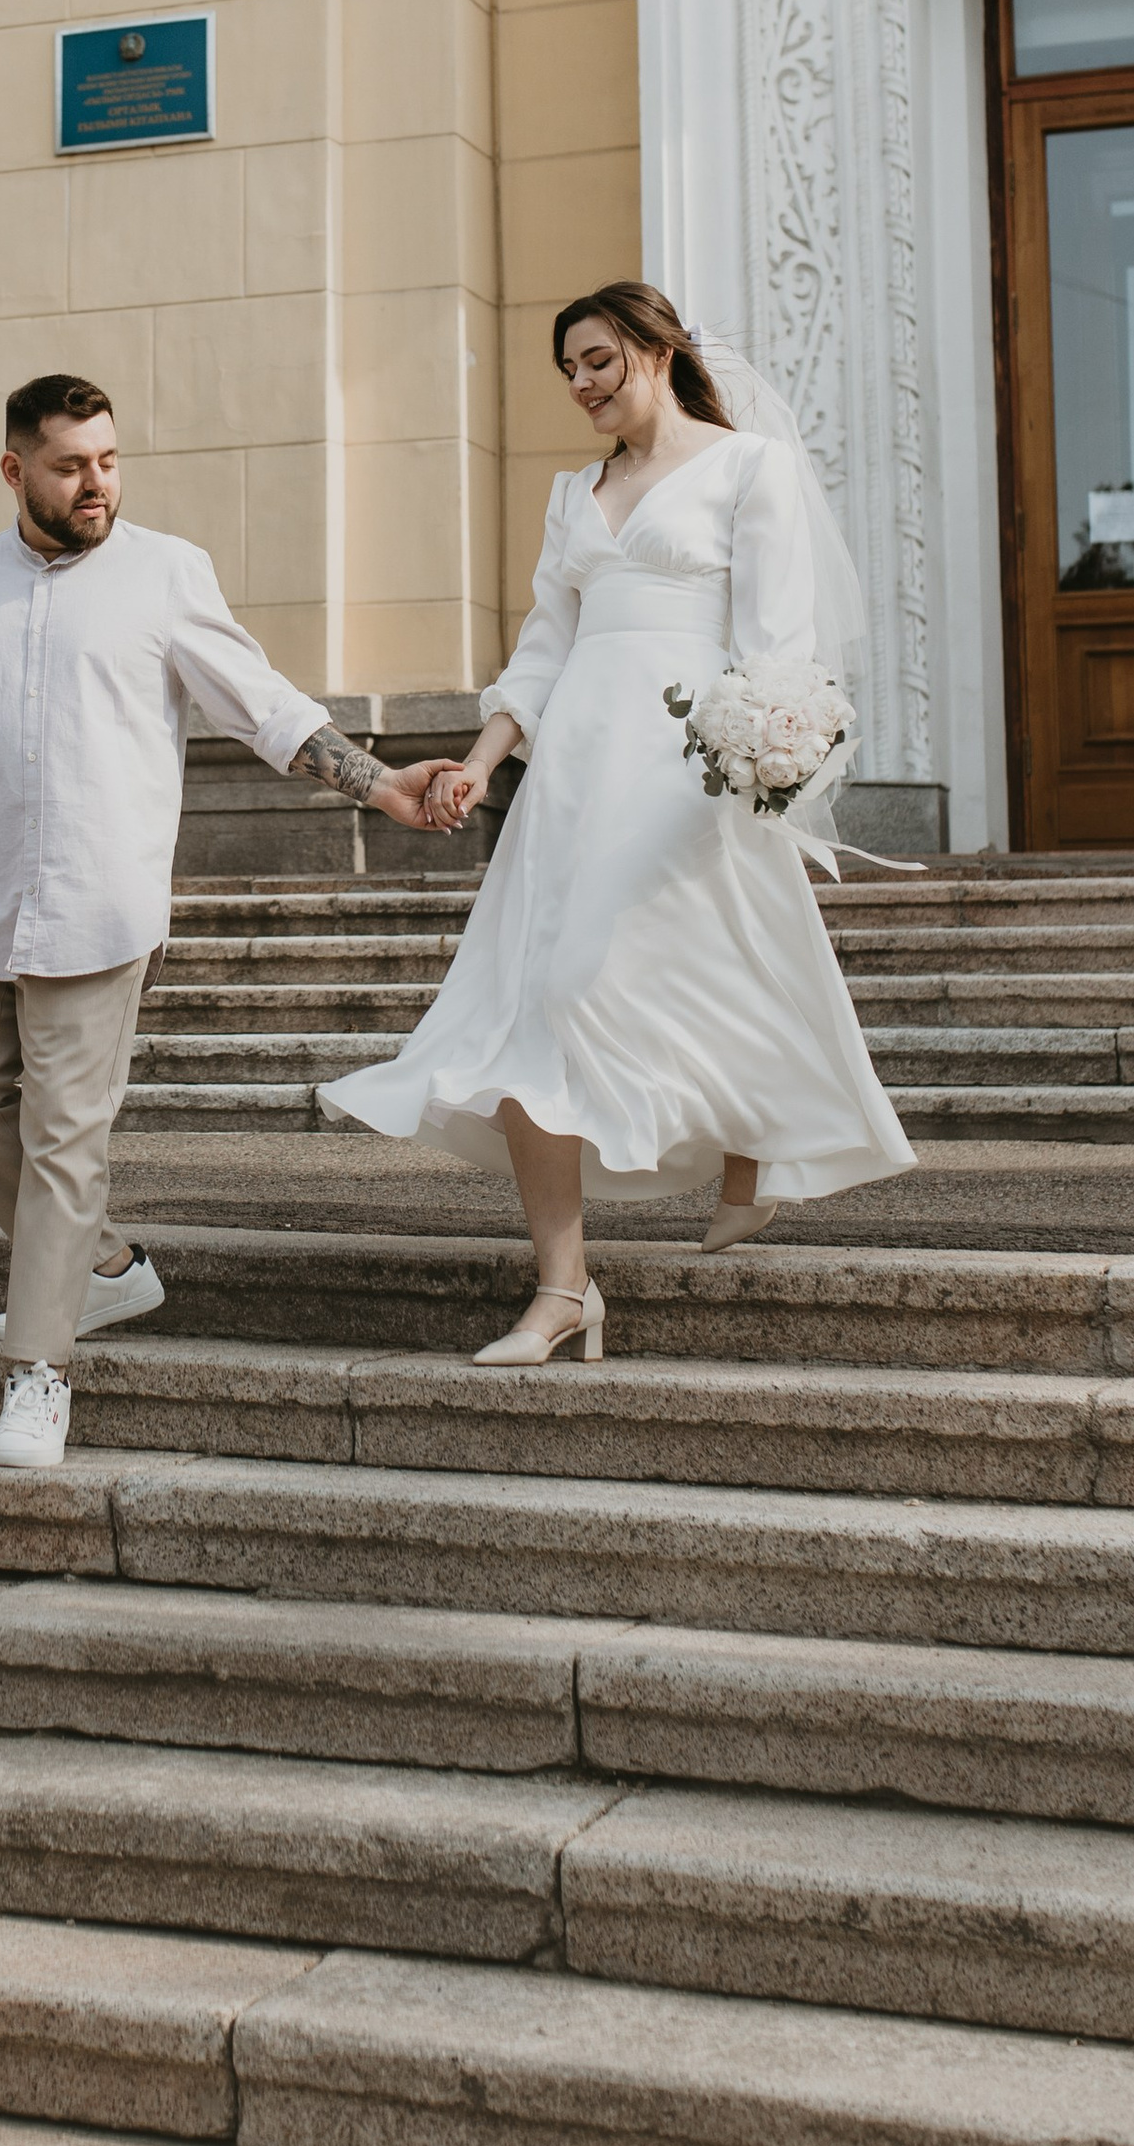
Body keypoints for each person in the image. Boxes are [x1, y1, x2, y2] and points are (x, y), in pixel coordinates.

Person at [0, 373, 452, 1467]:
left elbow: (268, 709)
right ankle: (103, 1270)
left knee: (65, 1138)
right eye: (70, 466)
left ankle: (38, 1370)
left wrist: (382, 787)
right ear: (13, 471)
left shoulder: (168, 575)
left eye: (109, 461)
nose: (97, 484)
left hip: (101, 905)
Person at [325, 283, 913, 1362]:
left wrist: (762, 755)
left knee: (628, 977)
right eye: (568, 369)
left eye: (597, 360)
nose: (580, 384)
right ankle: (563, 1289)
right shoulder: (570, 496)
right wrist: (482, 764)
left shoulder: (746, 469)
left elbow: (776, 640)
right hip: (571, 779)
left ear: (655, 348)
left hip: (682, 770)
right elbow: (545, 648)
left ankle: (752, 1143)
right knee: (525, 1005)